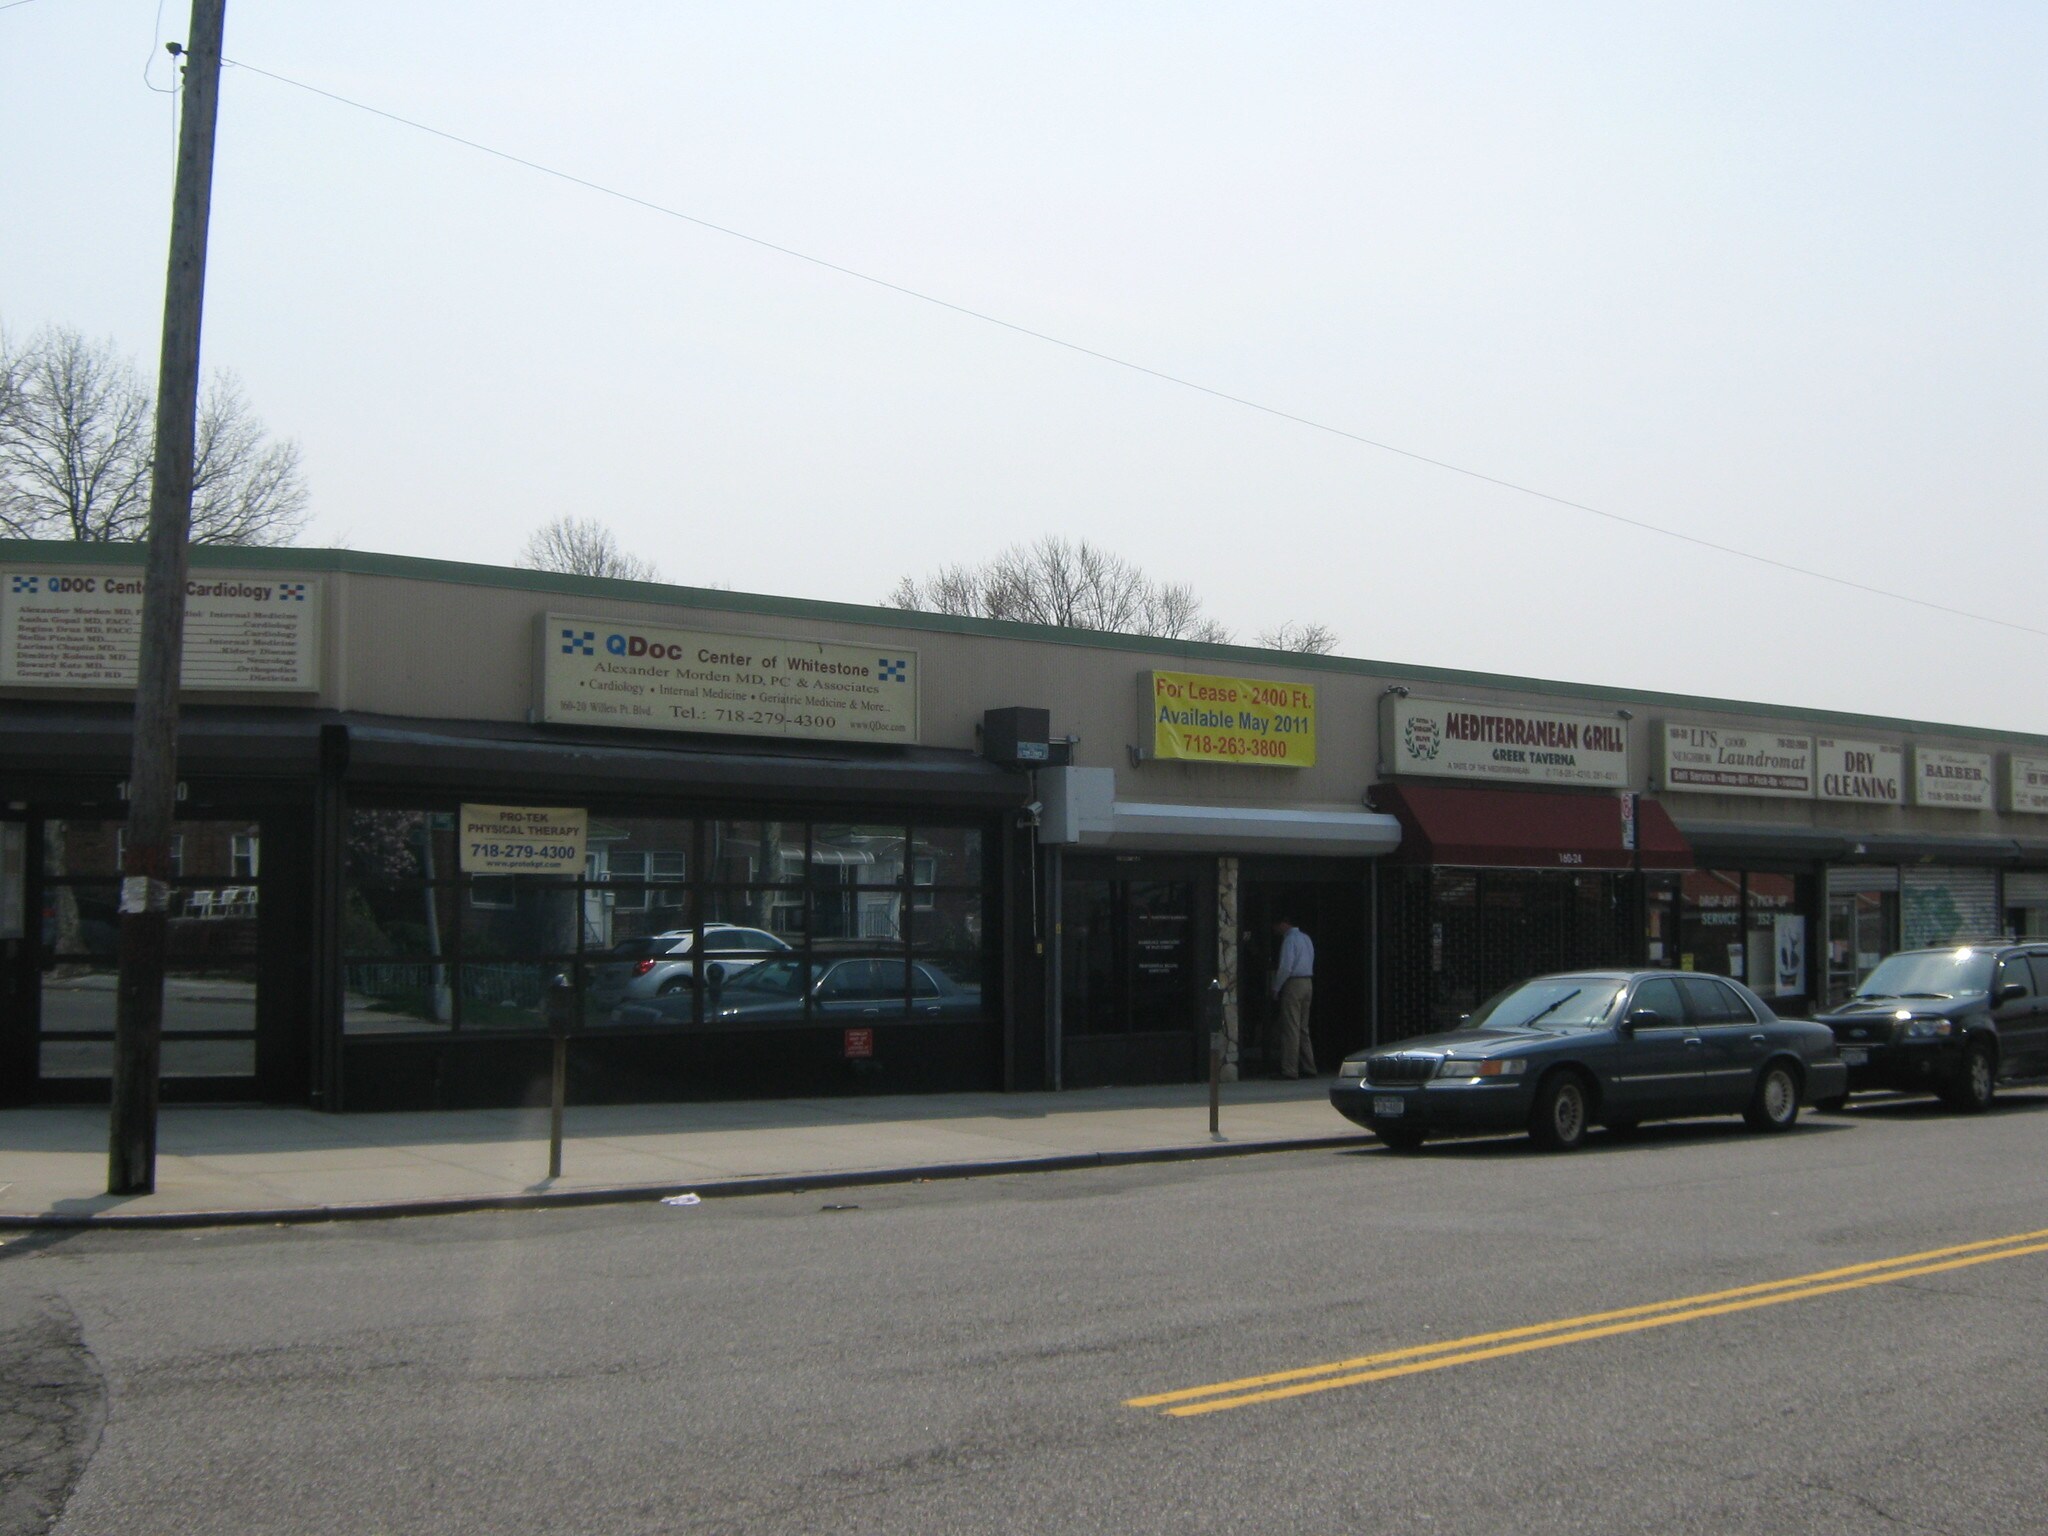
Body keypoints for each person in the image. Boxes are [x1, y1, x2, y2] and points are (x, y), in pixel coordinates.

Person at [1269, 914, 1316, 1078]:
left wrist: (1276, 987)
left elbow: (1286, 967)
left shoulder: (1289, 940)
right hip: (1307, 982)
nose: (1274, 930)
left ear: (1283, 923)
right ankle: (1309, 1066)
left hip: (1293, 983)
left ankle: (1290, 1069)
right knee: (1303, 1028)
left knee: (1291, 1027)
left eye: (1275, 926)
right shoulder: (1306, 938)